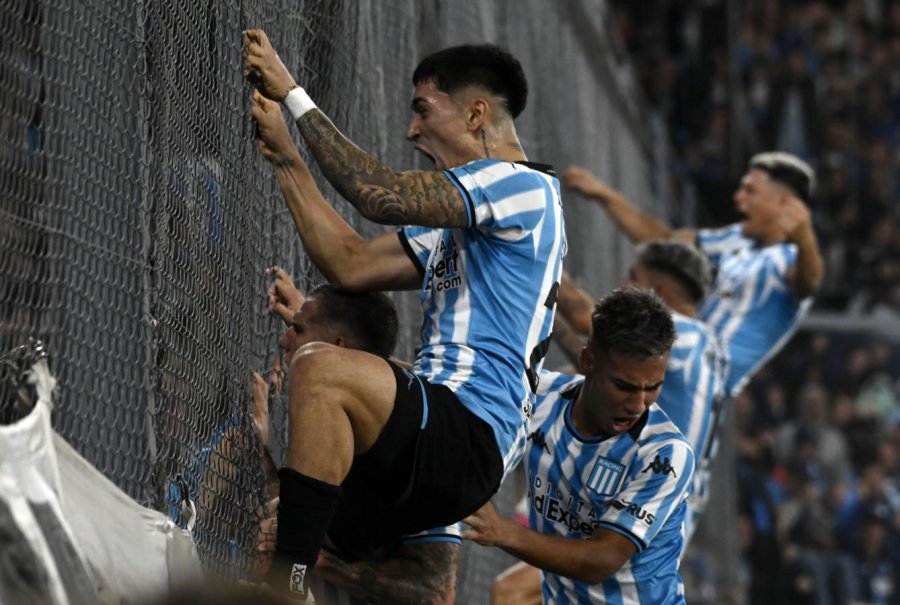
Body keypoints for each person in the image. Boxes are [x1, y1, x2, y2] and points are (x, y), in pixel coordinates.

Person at [243, 32, 565, 601]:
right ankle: (290, 575)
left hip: (467, 431)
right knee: (277, 517)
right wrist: (285, 159)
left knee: (321, 367)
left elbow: (378, 195)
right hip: (436, 434)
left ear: (475, 113)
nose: (411, 131)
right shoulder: (463, 221)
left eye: (422, 110)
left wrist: (293, 94)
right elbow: (351, 262)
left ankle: (283, 591)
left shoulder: (522, 188)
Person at [464, 288, 696, 604]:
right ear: (588, 361)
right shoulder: (540, 397)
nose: (638, 404)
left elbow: (600, 560)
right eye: (624, 386)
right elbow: (456, 391)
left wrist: (504, 531)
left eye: (653, 388)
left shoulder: (664, 454)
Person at [255, 268, 460, 605]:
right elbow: (295, 513)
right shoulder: (333, 415)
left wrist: (325, 564)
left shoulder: (418, 461)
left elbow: (439, 595)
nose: (284, 339)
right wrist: (258, 449)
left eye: (298, 329)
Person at [565, 152, 824, 397]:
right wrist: (605, 195)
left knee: (586, 325)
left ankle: (541, 268)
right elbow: (666, 240)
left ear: (784, 203)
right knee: (565, 385)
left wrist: (805, 238)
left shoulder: (791, 260)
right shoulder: (737, 240)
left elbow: (808, 282)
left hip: (703, 375)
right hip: (676, 360)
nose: (739, 198)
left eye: (750, 190)